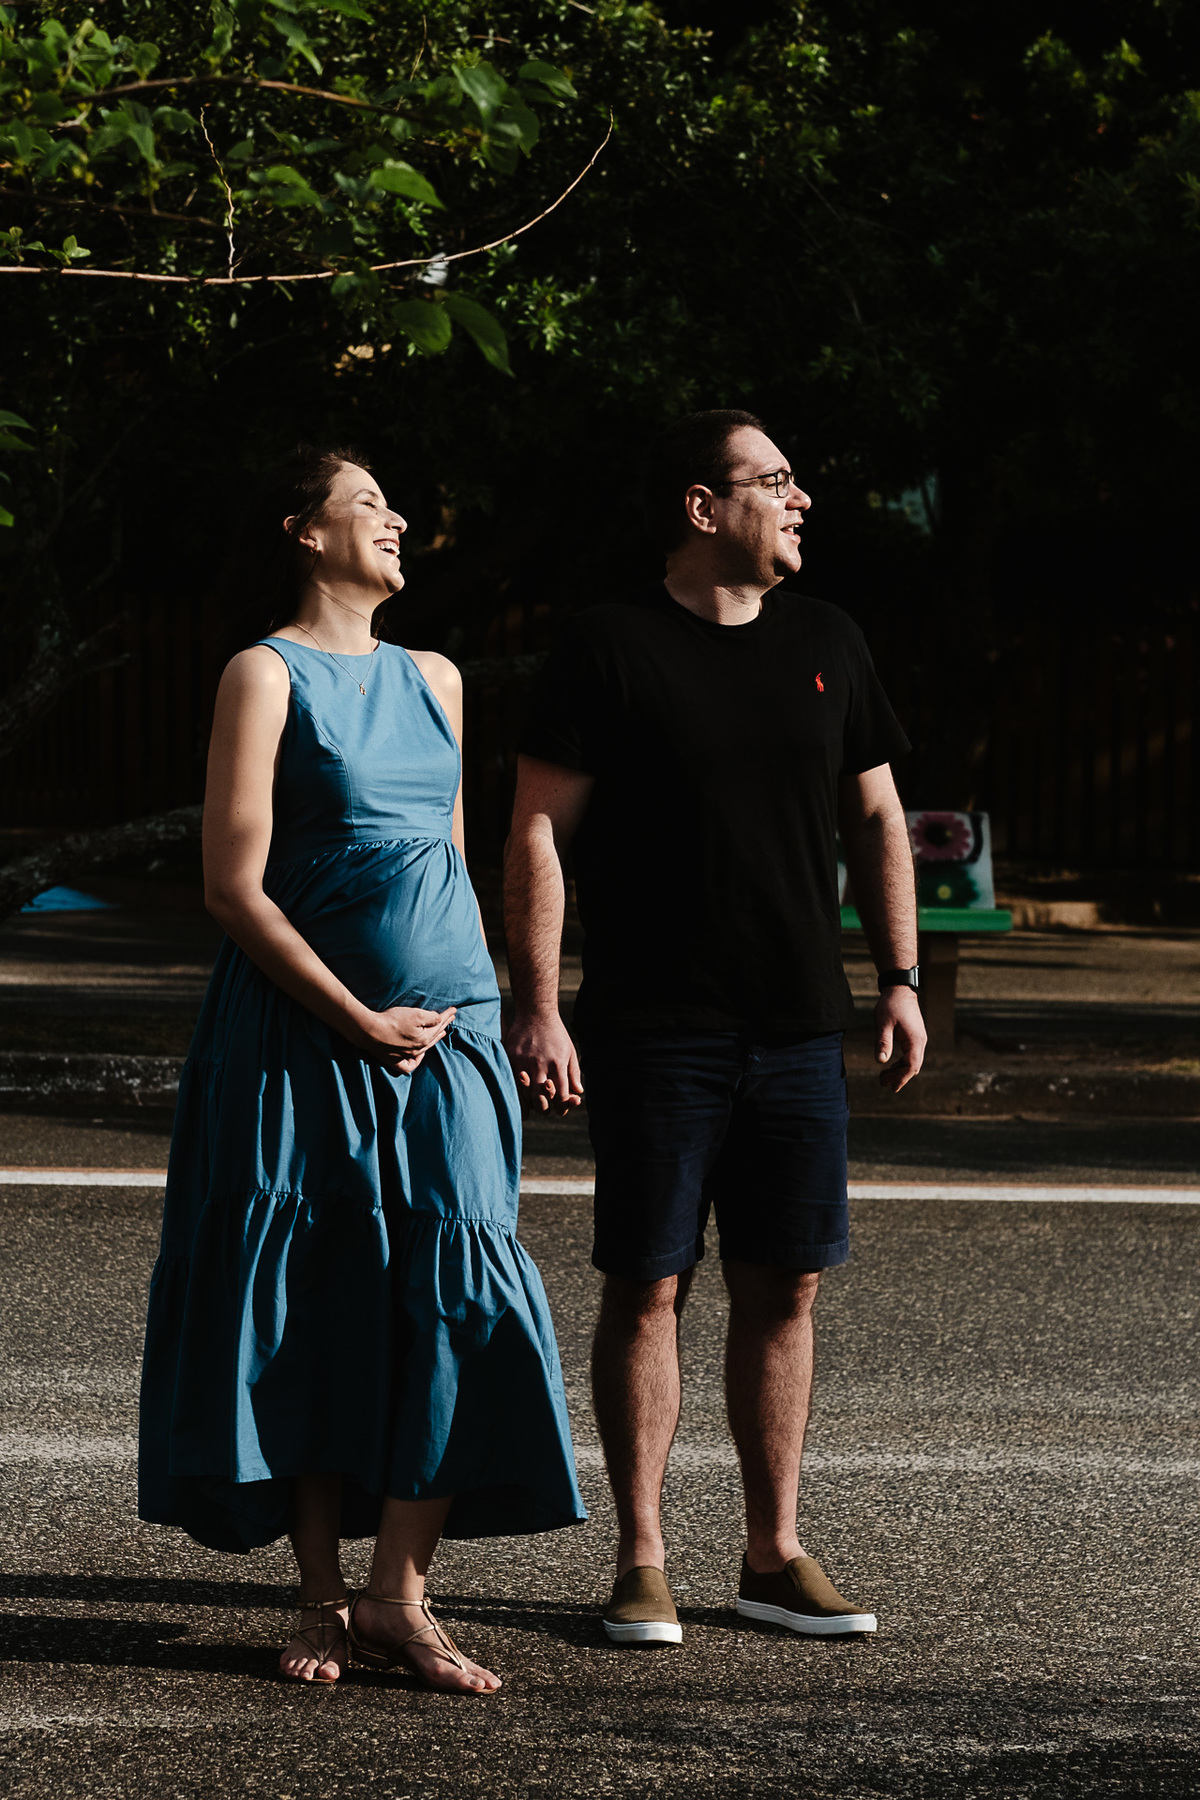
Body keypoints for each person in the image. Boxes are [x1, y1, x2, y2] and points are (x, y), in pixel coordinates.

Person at [139, 445, 585, 1694]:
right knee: (321, 1287)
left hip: (448, 1033)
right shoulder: (262, 673)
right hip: (303, 1031)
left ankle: (404, 1593)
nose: (396, 521)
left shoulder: (438, 676)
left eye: (394, 505)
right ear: (302, 530)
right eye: (368, 504)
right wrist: (352, 1014)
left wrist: (501, 1014)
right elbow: (232, 886)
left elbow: (439, 864)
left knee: (460, 1278)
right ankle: (326, 1598)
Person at [503, 409, 924, 1645]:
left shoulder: (829, 641)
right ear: (702, 507)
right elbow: (536, 829)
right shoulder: (610, 647)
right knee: (648, 1284)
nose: (800, 503)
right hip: (652, 1024)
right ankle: (642, 1560)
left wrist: (899, 976)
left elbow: (880, 820)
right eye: (776, 482)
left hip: (798, 1025)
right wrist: (537, 1001)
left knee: (785, 1284)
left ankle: (771, 1554)